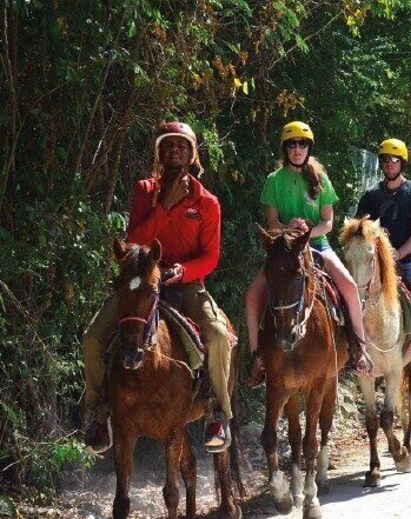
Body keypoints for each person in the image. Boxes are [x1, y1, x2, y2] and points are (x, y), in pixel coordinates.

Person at [82, 121, 234, 454]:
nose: (175, 150)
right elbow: (134, 240)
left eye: (182, 145)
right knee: (92, 339)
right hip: (141, 282)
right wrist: (165, 205)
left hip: (187, 285)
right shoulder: (144, 191)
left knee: (220, 336)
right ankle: (98, 409)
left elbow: (210, 256)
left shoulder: (207, 202)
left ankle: (218, 412)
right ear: (159, 153)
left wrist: (183, 270)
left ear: (192, 154)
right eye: (168, 145)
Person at [245, 121, 373, 386]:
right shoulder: (274, 181)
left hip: (318, 245)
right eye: (292, 144)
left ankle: (359, 348)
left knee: (348, 285)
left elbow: (328, 222)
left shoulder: (321, 179)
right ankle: (256, 356)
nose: (297, 149)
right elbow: (271, 222)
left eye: (302, 144)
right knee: (253, 294)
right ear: (285, 148)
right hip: (284, 249)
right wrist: (287, 228)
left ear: (308, 147)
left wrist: (308, 231)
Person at [356, 138, 411, 376]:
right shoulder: (370, 196)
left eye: (394, 159)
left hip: (406, 259)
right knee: (351, 290)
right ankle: (350, 347)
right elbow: (360, 231)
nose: (389, 164)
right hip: (374, 262)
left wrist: (398, 253)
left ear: (402, 162)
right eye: (384, 159)